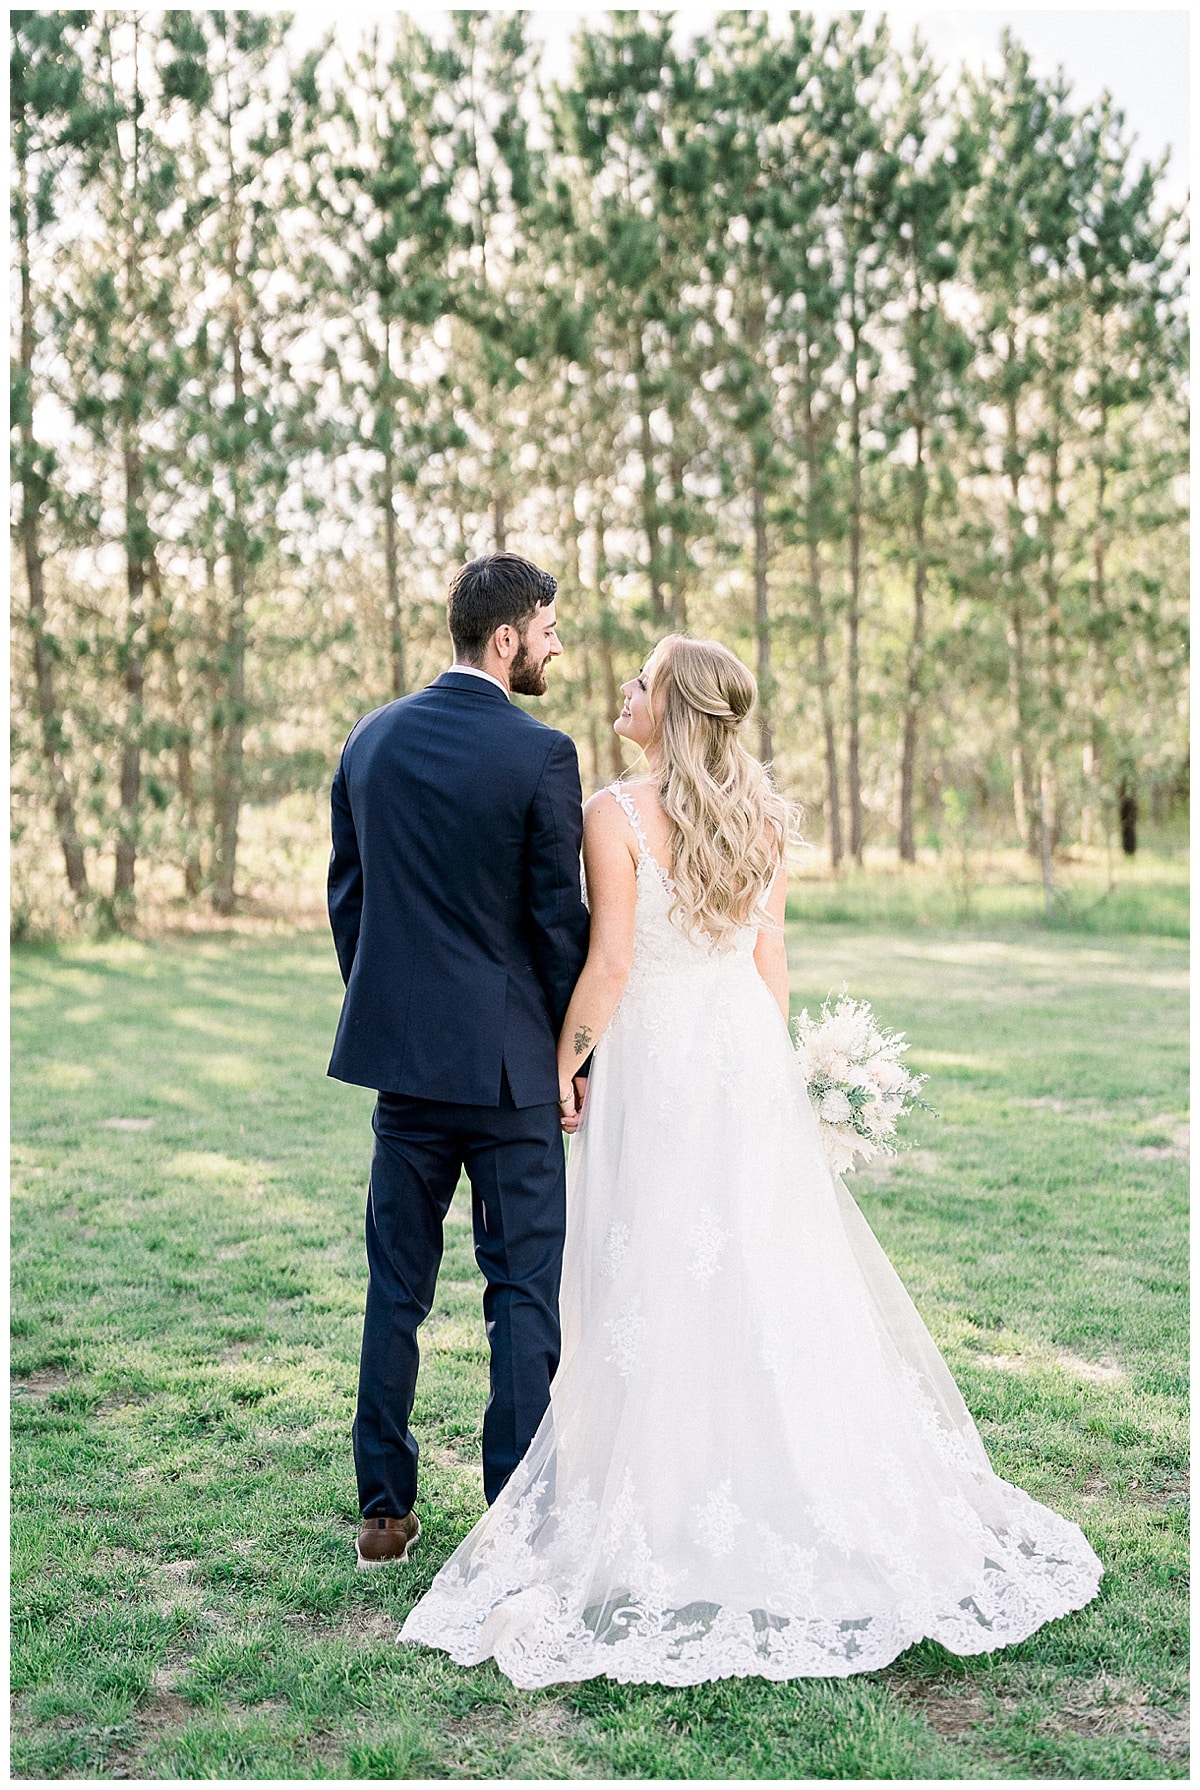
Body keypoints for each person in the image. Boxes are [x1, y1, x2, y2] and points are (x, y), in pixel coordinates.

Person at [400, 634, 1102, 1685]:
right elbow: (770, 960)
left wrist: (564, 1061)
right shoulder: (761, 816)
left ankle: (669, 1491)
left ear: (671, 709)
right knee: (755, 1272)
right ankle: (754, 1478)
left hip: (659, 1055)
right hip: (736, 1050)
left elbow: (614, 960)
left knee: (649, 1270)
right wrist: (768, 1078)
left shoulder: (616, 811)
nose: (622, 689)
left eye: (639, 680)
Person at [327, 553, 590, 1569]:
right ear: (508, 635)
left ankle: (383, 1513)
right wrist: (576, 1055)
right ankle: (515, 1521)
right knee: (521, 1289)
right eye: (549, 628)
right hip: (515, 1071)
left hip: (408, 1074)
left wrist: (392, 1011)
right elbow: (557, 925)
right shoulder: (541, 755)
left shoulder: (369, 740)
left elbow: (350, 901)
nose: (556, 646)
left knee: (396, 1285)